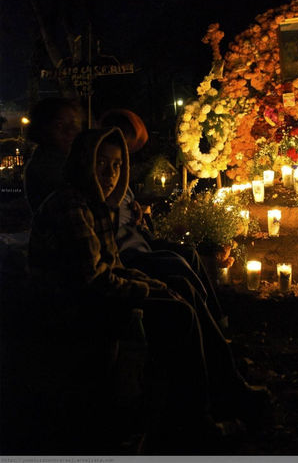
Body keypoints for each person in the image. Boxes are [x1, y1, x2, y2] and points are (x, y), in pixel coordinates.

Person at [28, 127, 271, 452]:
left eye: (117, 165)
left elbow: (112, 267)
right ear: (84, 161)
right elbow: (94, 281)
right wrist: (147, 290)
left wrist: (150, 284)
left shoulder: (95, 203)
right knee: (177, 312)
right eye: (101, 162)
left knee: (179, 284)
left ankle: (227, 389)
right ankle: (195, 422)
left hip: (95, 294)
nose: (110, 173)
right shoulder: (72, 205)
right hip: (73, 307)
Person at [99, 108, 228, 330]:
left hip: (139, 239)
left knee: (189, 253)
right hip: (127, 254)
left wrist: (136, 209)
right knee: (177, 266)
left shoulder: (119, 170)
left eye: (129, 146)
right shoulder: (98, 178)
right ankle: (207, 324)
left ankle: (216, 316)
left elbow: (125, 200)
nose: (126, 151)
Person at [24, 96, 83, 214]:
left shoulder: (72, 159)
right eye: (59, 125)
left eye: (74, 123)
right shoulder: (44, 167)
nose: (70, 130)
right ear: (42, 129)